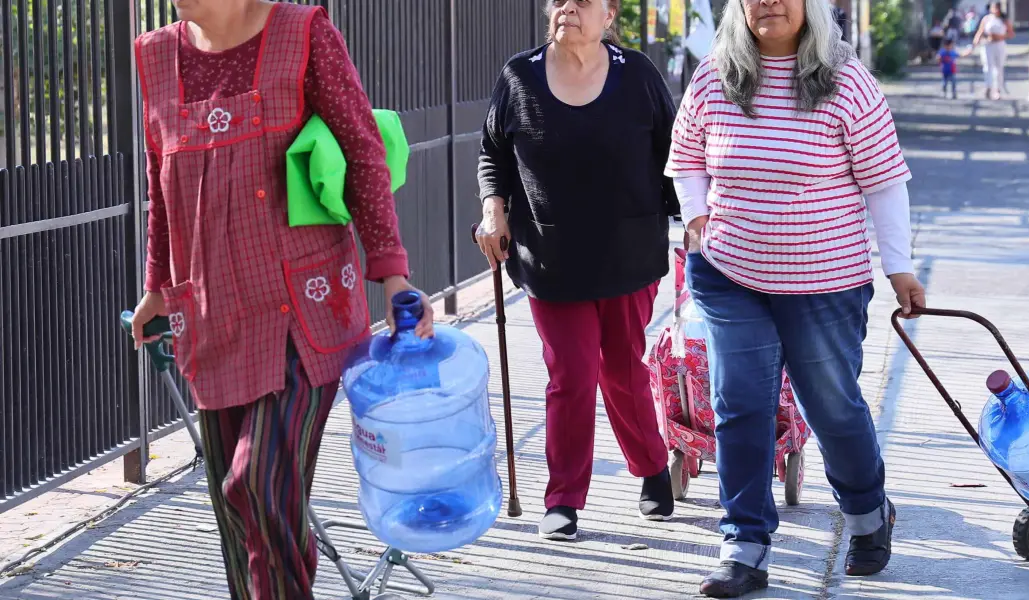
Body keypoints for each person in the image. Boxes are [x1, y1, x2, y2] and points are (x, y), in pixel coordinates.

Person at [127, 0, 431, 598]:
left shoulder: (302, 33)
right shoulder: (156, 56)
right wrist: (157, 288)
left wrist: (392, 273)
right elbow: (159, 181)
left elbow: (363, 150)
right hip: (211, 316)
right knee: (239, 511)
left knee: (258, 485)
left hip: (304, 312)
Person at [666, 0, 926, 596]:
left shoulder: (845, 79)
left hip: (824, 281)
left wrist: (899, 269)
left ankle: (867, 514)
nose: (768, 2)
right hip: (730, 272)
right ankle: (745, 544)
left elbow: (885, 182)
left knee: (828, 405)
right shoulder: (716, 74)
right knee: (742, 405)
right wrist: (698, 214)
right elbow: (686, 159)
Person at [474, 0, 681, 541]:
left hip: (627, 253)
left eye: (583, 1)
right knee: (571, 374)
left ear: (609, 16)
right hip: (550, 257)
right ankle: (563, 497)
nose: (567, 7)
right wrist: (493, 210)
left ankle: (652, 468)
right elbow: (492, 150)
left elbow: (676, 153)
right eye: (559, 0)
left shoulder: (637, 75)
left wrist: (699, 219)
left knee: (622, 369)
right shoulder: (519, 76)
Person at [974, 2, 1013, 100]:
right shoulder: (986, 19)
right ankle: (988, 87)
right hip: (988, 45)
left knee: (999, 68)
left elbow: (1011, 34)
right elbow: (980, 31)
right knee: (987, 66)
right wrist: (975, 41)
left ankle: (998, 89)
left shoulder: (1004, 20)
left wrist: (1000, 36)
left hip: (999, 45)